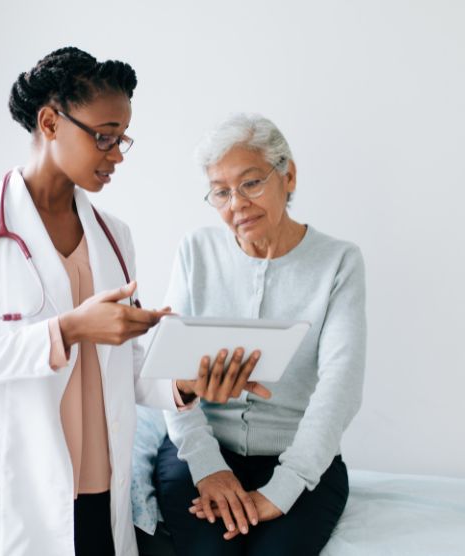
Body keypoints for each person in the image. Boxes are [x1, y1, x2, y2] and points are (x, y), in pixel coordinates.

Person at [0, 49, 268, 556]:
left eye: (122, 138)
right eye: (104, 136)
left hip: (99, 488)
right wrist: (67, 331)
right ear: (50, 122)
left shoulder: (115, 236)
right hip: (13, 490)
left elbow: (125, 370)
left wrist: (188, 382)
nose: (118, 154)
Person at [154, 113, 367, 556]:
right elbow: (168, 370)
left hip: (301, 458)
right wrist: (209, 467)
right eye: (221, 192)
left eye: (251, 183)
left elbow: (340, 386)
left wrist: (284, 487)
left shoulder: (340, 262)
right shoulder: (196, 250)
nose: (237, 204)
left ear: (288, 176)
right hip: (200, 449)